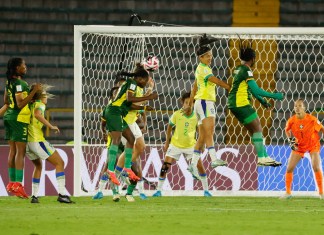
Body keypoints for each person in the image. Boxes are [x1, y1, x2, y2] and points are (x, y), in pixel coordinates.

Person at [227, 39, 284, 167]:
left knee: (254, 130)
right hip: (240, 104)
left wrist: (262, 101)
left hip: (234, 104)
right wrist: (275, 95)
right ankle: (261, 158)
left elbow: (249, 90)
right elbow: (256, 89)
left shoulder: (238, 69)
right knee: (258, 126)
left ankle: (264, 156)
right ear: (253, 59)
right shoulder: (246, 70)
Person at [104, 63, 158, 190]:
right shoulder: (133, 84)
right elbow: (130, 100)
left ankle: (125, 169)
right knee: (117, 141)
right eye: (144, 80)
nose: (145, 83)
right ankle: (112, 172)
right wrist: (149, 96)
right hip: (118, 114)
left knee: (134, 142)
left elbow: (132, 103)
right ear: (139, 78)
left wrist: (145, 105)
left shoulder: (134, 85)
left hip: (123, 115)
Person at [152, 92, 212, 197]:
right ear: (182, 103)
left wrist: (201, 145)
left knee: (200, 166)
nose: (188, 105)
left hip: (191, 146)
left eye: (190, 103)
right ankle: (158, 190)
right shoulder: (176, 114)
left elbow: (200, 131)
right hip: (175, 145)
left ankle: (206, 190)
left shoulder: (197, 116)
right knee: (165, 166)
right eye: (186, 103)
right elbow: (169, 127)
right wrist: (167, 142)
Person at [188, 34, 231, 179]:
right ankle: (213, 159)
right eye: (207, 56)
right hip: (205, 102)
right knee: (209, 131)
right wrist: (229, 87)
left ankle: (192, 165)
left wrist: (190, 101)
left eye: (211, 55)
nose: (210, 58)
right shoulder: (204, 69)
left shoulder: (200, 68)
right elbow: (216, 81)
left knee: (201, 136)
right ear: (201, 57)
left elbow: (194, 86)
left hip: (199, 103)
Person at [26, 85, 73, 203]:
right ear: (40, 97)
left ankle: (34, 196)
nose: (46, 97)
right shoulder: (40, 105)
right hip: (37, 141)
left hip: (28, 143)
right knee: (60, 163)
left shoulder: (30, 104)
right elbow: (37, 114)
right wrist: (51, 126)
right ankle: (62, 194)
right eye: (45, 94)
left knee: (38, 166)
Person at [4, 58, 42, 198]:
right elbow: (20, 104)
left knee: (12, 151)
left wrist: (28, 97)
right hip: (18, 119)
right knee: (20, 152)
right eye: (23, 65)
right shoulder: (20, 83)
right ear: (16, 68)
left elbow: (6, 101)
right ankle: (18, 184)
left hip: (9, 117)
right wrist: (33, 92)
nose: (25, 67)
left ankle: (12, 183)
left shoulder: (9, 82)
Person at [280, 99, 324, 199]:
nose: (297, 108)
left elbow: (322, 128)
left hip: (313, 145)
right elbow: (287, 130)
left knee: (316, 167)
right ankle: (288, 193)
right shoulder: (291, 121)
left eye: (300, 106)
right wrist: (290, 140)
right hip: (299, 147)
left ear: (304, 107)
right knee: (289, 168)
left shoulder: (311, 119)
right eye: (295, 106)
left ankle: (321, 193)